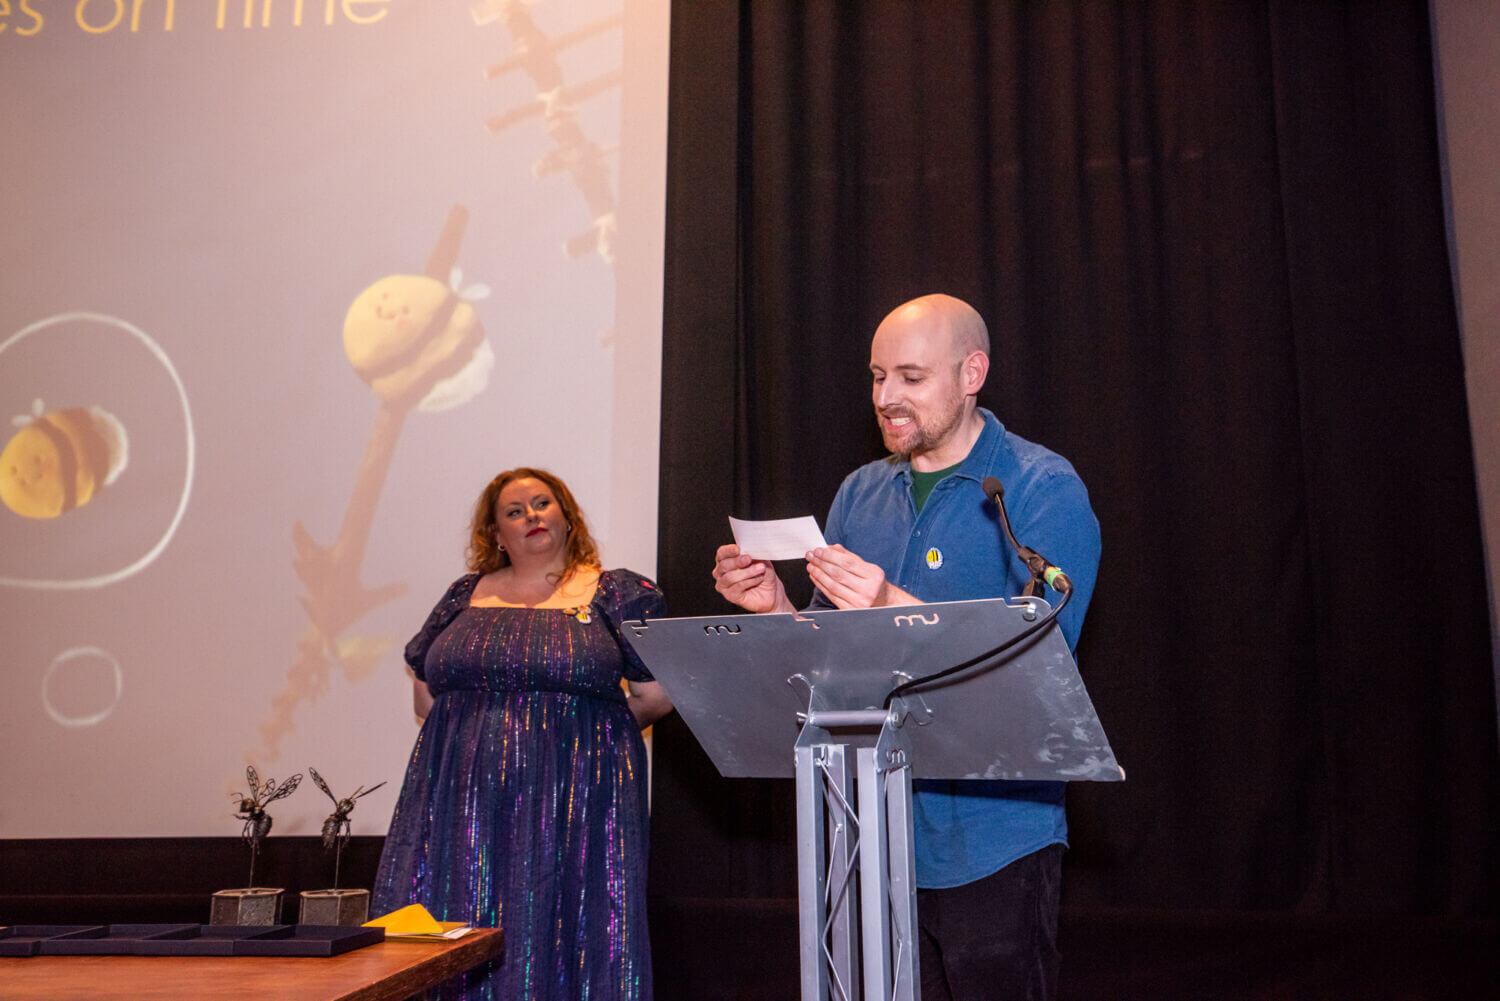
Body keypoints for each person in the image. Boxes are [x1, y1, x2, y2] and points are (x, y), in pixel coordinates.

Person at [712, 293, 1101, 1001]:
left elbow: (1039, 670)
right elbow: (828, 663)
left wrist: (890, 602)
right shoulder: (860, 493)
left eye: (911, 377)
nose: (886, 396)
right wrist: (772, 607)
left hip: (994, 839)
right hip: (867, 835)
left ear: (972, 373)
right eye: (876, 375)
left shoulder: (1040, 488)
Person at [374, 467, 672, 1001]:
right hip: (463, 802)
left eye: (542, 503)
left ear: (566, 516)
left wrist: (578, 739)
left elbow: (655, 697)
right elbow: (426, 697)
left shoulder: (618, 593)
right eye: (514, 511)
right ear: (495, 534)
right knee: (456, 920)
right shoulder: (462, 595)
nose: (531, 515)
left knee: (567, 928)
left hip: (576, 802)